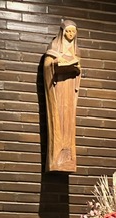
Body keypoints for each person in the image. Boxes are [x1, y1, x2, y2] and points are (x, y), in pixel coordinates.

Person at [43, 19, 81, 173]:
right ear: (63, 32)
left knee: (68, 122)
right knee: (58, 119)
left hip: (69, 90)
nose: (71, 34)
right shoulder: (54, 46)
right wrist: (56, 63)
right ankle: (57, 156)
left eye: (73, 32)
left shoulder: (76, 50)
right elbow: (47, 65)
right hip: (57, 88)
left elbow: (79, 68)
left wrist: (76, 69)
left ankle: (68, 156)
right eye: (68, 31)